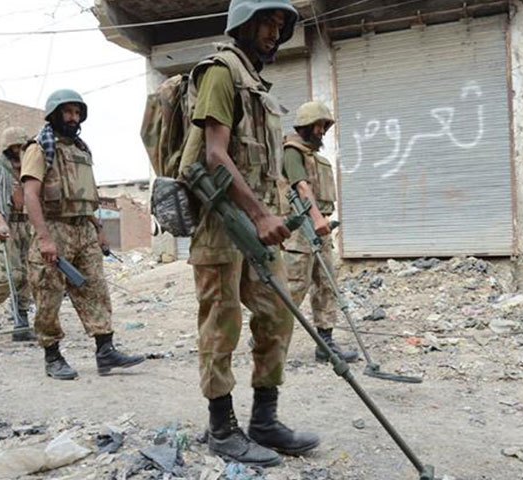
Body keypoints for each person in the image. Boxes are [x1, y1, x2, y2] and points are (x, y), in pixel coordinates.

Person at [181, 0, 318, 466]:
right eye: (267, 21)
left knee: (278, 313)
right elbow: (215, 155)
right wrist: (260, 215)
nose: (274, 32)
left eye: (280, 25)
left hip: (257, 219)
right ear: (243, 23)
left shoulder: (257, 83)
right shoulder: (221, 72)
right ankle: (222, 429)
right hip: (223, 221)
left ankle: (264, 420)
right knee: (221, 325)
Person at [21, 89, 144, 380]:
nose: (73, 118)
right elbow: (30, 195)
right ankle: (52, 356)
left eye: (77, 113)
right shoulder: (39, 148)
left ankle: (105, 350)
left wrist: (99, 230)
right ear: (55, 114)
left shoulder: (81, 150)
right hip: (54, 227)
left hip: (84, 229)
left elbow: (87, 194)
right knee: (48, 294)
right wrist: (44, 238)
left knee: (95, 289)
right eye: (68, 112)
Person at [280, 101, 358, 363]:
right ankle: (268, 338)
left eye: (324, 125)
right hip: (301, 229)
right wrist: (315, 218)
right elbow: (301, 187)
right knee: (295, 287)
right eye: (318, 125)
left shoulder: (317, 158)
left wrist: (322, 222)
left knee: (326, 285)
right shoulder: (292, 151)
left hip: (321, 228)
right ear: (305, 126)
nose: (321, 130)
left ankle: (325, 343)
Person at [0, 127, 35, 341]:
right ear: (8, 147)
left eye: (23, 147)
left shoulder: (29, 168)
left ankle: (21, 322)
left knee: (27, 275)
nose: (19, 151)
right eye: (15, 147)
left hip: (26, 224)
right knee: (10, 275)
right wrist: (1, 223)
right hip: (5, 221)